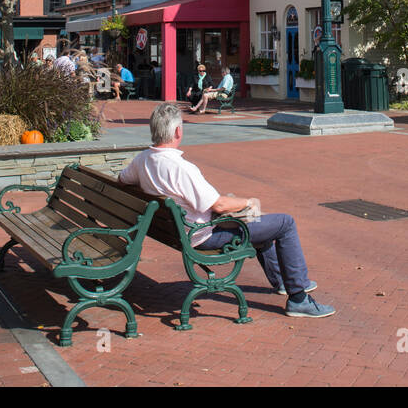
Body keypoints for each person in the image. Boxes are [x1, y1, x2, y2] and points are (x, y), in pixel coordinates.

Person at [120, 103, 333, 317]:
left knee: (263, 228)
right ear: (178, 131)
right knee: (285, 223)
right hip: (202, 236)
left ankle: (285, 282)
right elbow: (219, 205)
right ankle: (298, 297)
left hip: (177, 231)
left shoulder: (143, 160)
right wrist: (247, 202)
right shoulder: (181, 168)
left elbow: (122, 179)